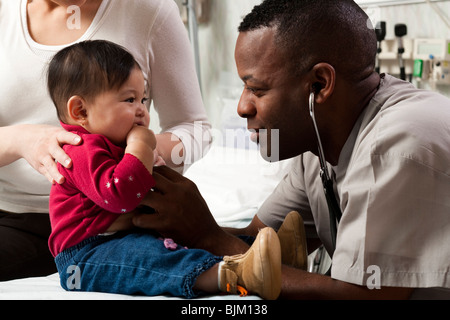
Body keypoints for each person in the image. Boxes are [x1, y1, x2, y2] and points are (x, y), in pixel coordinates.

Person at [133, 0, 450, 299]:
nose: (243, 107)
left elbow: (362, 296)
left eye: (256, 89)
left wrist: (207, 237)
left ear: (319, 85)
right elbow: (260, 238)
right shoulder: (319, 143)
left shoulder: (393, 147)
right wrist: (179, 222)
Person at [46, 39, 282, 299]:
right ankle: (234, 274)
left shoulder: (114, 145)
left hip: (121, 237)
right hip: (85, 255)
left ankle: (275, 256)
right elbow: (121, 193)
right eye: (129, 99)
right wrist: (141, 145)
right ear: (80, 111)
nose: (142, 111)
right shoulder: (79, 149)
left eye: (143, 99)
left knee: (179, 240)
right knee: (149, 258)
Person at [0, 0, 211, 281]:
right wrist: (19, 139)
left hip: (121, 221)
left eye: (141, 99)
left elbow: (195, 128)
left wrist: (141, 148)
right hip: (14, 216)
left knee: (182, 256)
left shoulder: (150, 10)